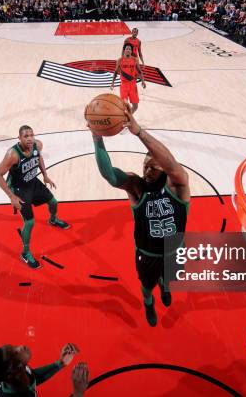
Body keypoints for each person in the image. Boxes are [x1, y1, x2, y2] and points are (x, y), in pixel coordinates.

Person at [92, 107, 190, 327]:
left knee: (169, 278)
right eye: (145, 165)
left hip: (175, 250)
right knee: (146, 286)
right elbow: (109, 174)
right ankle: (148, 302)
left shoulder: (178, 185)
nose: (146, 170)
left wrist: (140, 133)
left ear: (163, 169)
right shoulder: (137, 186)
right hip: (147, 254)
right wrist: (97, 139)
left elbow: (172, 163)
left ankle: (165, 285)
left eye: (152, 167)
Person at [0, 125, 70, 269]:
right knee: (29, 222)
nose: (29, 138)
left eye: (31, 135)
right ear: (19, 138)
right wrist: (12, 196)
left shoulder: (37, 145)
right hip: (19, 189)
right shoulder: (13, 155)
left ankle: (53, 219)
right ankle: (25, 253)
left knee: (53, 202)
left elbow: (39, 157)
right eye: (25, 136)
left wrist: (45, 176)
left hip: (32, 182)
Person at [0, 343, 88, 397]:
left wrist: (60, 363)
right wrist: (78, 392)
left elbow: (33, 377)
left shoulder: (8, 373)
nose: (20, 347)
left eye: (14, 347)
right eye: (15, 353)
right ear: (14, 371)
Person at [110, 44, 146, 114]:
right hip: (124, 85)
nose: (128, 50)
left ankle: (128, 118)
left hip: (133, 85)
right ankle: (125, 119)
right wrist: (112, 83)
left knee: (135, 106)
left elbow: (139, 71)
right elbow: (115, 72)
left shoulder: (135, 60)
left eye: (129, 49)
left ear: (131, 51)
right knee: (124, 106)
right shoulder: (120, 60)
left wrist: (143, 81)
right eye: (127, 49)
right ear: (124, 50)